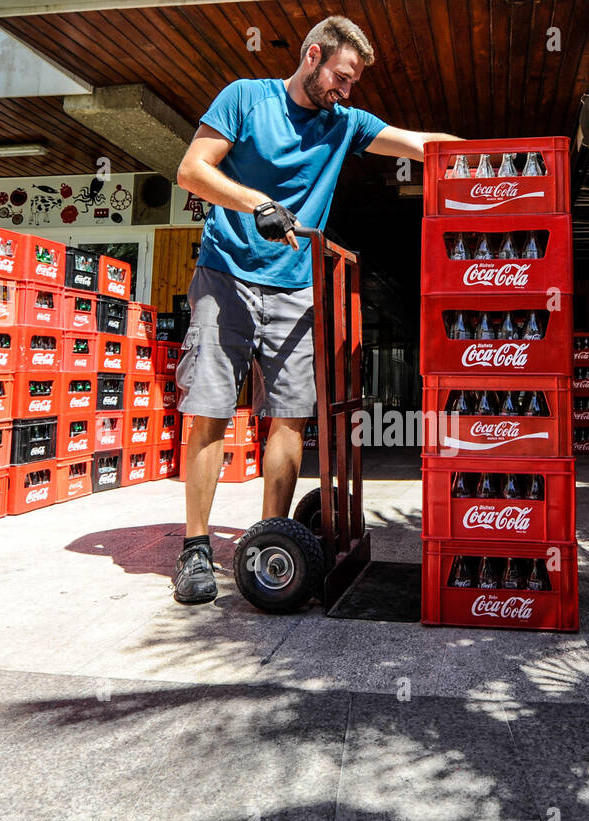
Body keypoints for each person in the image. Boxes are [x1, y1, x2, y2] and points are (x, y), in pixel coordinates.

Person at [172, 15, 462, 604]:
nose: (346, 91)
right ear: (312, 55)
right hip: (224, 273)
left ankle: (265, 542)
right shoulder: (245, 98)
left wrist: (508, 158)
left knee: (290, 416)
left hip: (294, 284)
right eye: (342, 76)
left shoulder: (345, 123)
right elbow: (192, 170)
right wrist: (258, 204)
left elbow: (417, 143)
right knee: (209, 409)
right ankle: (195, 549)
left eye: (353, 82)